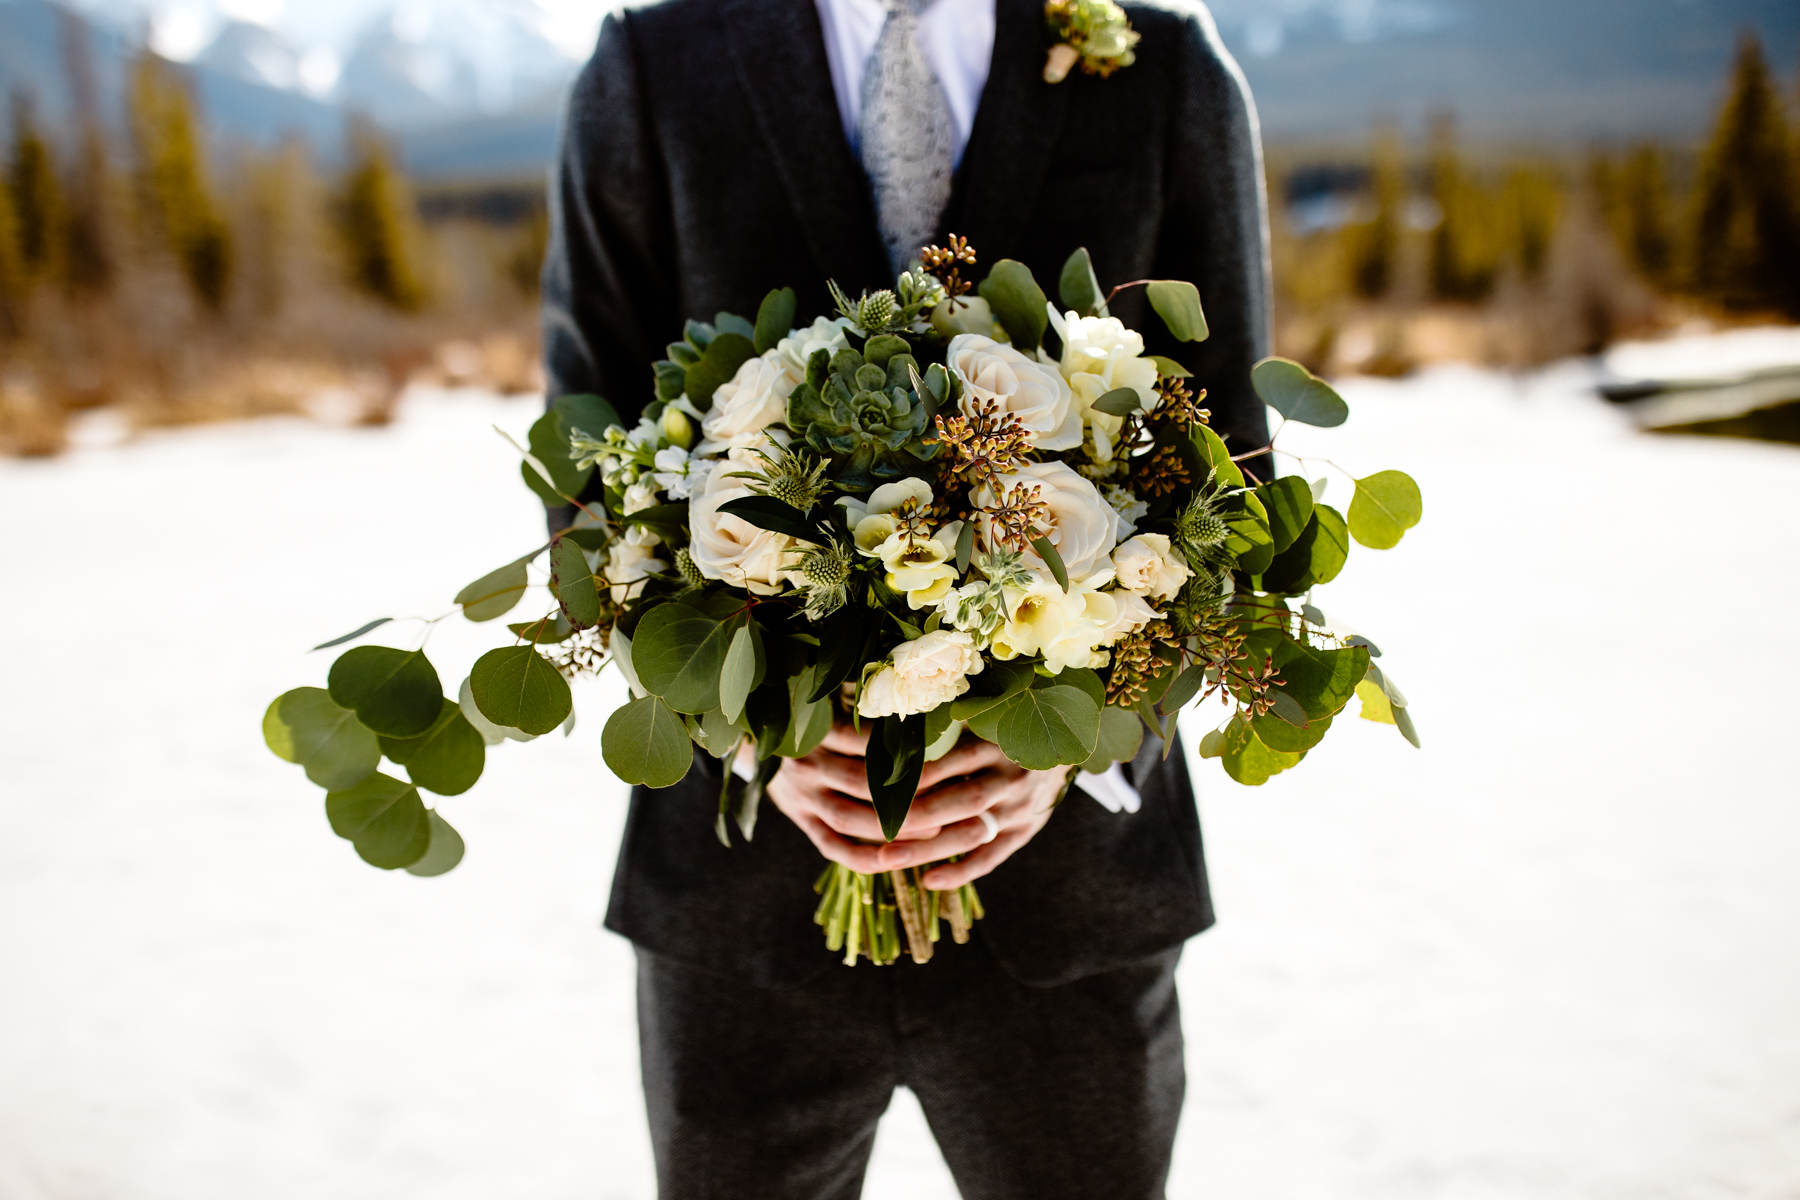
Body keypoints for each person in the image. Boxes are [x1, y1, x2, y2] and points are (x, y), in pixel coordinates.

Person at [540, 1, 1271, 1195]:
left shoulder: (1163, 65)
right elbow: (586, 459)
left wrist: (1079, 740)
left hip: (1070, 902)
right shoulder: (650, 62)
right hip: (745, 913)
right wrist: (747, 729)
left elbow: (1234, 475)